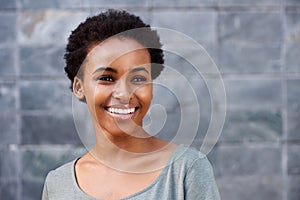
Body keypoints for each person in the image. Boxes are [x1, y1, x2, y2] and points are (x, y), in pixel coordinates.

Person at [42, 9, 220, 200]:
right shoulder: (58, 184)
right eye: (107, 78)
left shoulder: (186, 170)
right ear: (79, 87)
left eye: (138, 78)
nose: (124, 94)